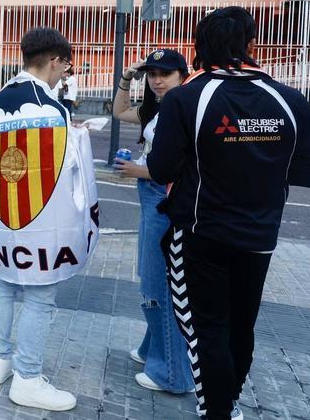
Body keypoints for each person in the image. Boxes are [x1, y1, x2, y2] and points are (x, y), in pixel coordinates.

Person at [148, 7, 310, 420]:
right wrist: (259, 165)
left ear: (200, 46)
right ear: (250, 45)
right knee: (240, 327)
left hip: (200, 233)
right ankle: (226, 406)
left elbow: (160, 169)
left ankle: (217, 411)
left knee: (206, 331)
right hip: (259, 236)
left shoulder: (186, 98)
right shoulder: (289, 98)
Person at [0, 27, 99, 412]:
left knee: (3, 281)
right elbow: (68, 170)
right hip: (41, 218)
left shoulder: (1, 97)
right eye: (66, 66)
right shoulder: (54, 107)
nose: (65, 73)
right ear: (54, 60)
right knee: (40, 292)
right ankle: (27, 378)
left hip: (4, 212)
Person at [111, 48, 194, 396]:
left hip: (163, 194)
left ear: (182, 76)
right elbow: (118, 112)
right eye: (153, 75)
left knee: (157, 282)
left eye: (166, 74)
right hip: (151, 193)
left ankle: (173, 374)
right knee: (152, 275)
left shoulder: (186, 109)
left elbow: (182, 166)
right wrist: (127, 78)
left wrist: (137, 171)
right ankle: (152, 350)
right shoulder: (158, 108)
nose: (158, 80)